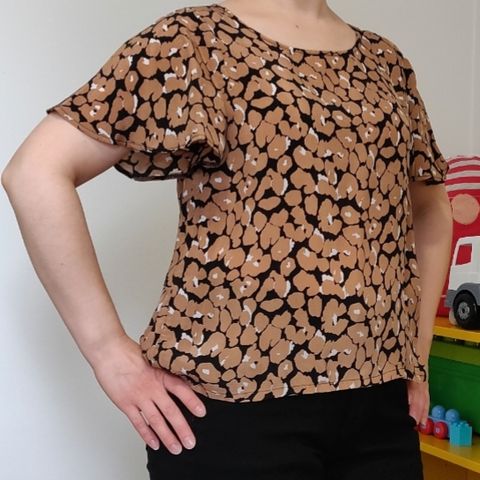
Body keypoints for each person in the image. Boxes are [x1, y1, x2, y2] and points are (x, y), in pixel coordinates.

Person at [2, 0, 453, 478]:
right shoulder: (191, 41)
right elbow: (34, 172)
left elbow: (430, 208)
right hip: (233, 407)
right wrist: (107, 352)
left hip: (379, 408)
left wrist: (417, 355)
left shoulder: (385, 63)